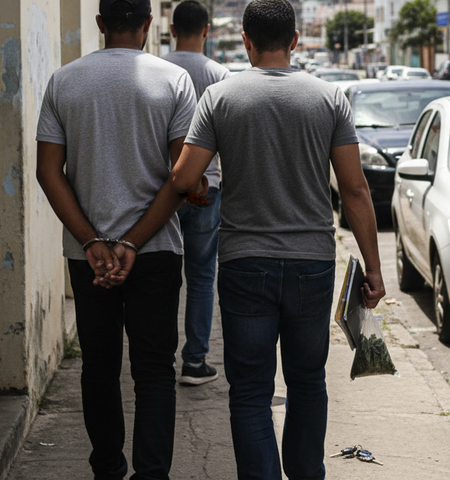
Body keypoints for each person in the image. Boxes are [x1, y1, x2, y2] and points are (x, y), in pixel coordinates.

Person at [169, 0, 386, 478]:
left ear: (246, 41)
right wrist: (373, 267)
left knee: (249, 391)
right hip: (313, 262)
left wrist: (200, 186)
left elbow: (183, 177)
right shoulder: (329, 98)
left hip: (246, 263)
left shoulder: (220, 97)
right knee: (308, 382)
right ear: (294, 40)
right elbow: (354, 189)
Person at [35, 0, 200, 477]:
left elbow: (50, 173)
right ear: (149, 25)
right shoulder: (174, 81)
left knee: (99, 368)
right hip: (156, 251)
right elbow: (181, 178)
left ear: (101, 24)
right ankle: (152, 474)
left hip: (91, 260)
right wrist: (132, 242)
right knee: (154, 371)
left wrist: (92, 243)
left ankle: (107, 468)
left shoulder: (65, 81)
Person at [162, 0, 230, 386]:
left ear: (172, 30)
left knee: (166, 273)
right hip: (210, 187)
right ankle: (194, 360)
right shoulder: (221, 74)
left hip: (166, 189)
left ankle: (160, 356)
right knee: (203, 276)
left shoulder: (158, 68)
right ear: (207, 31)